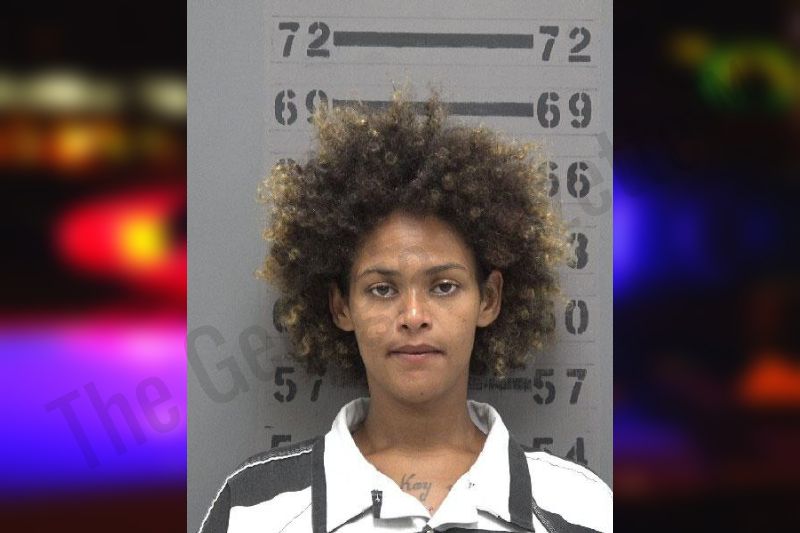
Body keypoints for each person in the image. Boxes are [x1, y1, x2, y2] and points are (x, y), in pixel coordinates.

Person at [199, 88, 612, 533]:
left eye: (444, 286)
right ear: (341, 306)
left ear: (489, 299)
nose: (414, 315)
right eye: (381, 289)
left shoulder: (583, 508)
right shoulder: (254, 511)